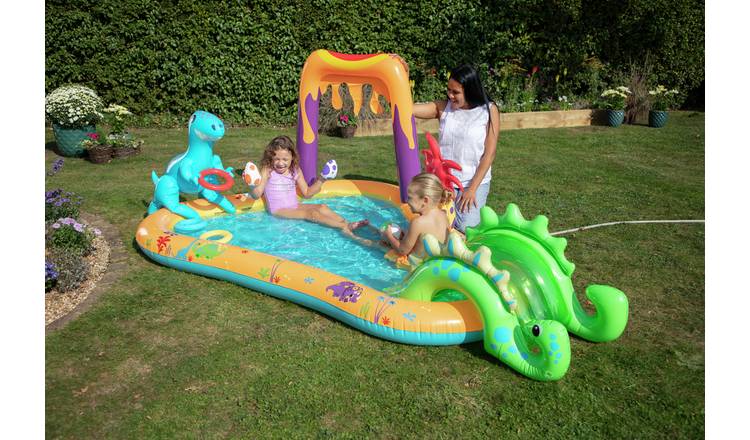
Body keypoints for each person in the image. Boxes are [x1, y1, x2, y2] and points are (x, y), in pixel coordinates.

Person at [409, 61, 500, 233]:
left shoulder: (488, 111)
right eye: (448, 90)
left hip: (473, 182)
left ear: (471, 91)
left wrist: (472, 189)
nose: (450, 95)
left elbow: (489, 154)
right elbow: (407, 108)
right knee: (434, 225)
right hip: (443, 181)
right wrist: (401, 73)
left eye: (456, 92)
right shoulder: (444, 108)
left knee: (466, 228)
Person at [247, 135, 370, 239]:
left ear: (292, 157)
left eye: (285, 159)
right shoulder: (268, 170)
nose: (280, 163)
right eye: (277, 159)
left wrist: (322, 179)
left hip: (294, 206)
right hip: (279, 210)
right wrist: (252, 185)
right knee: (311, 213)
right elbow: (257, 194)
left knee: (322, 207)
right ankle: (343, 228)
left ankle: (346, 223)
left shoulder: (295, 170)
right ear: (270, 158)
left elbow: (307, 193)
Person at [382, 173, 452, 268]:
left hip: (418, 266)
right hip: (438, 263)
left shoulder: (418, 222)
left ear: (425, 200)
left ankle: (354, 236)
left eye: (410, 197)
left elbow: (403, 250)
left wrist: (389, 235)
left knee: (379, 244)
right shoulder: (443, 215)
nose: (407, 201)